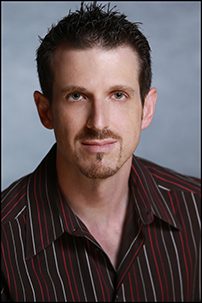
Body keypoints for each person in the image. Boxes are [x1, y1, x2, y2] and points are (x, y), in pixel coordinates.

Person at [1, 1, 201, 302]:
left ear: (146, 109)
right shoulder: (5, 237)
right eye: (77, 96)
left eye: (118, 95)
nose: (99, 122)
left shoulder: (197, 210)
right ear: (46, 111)